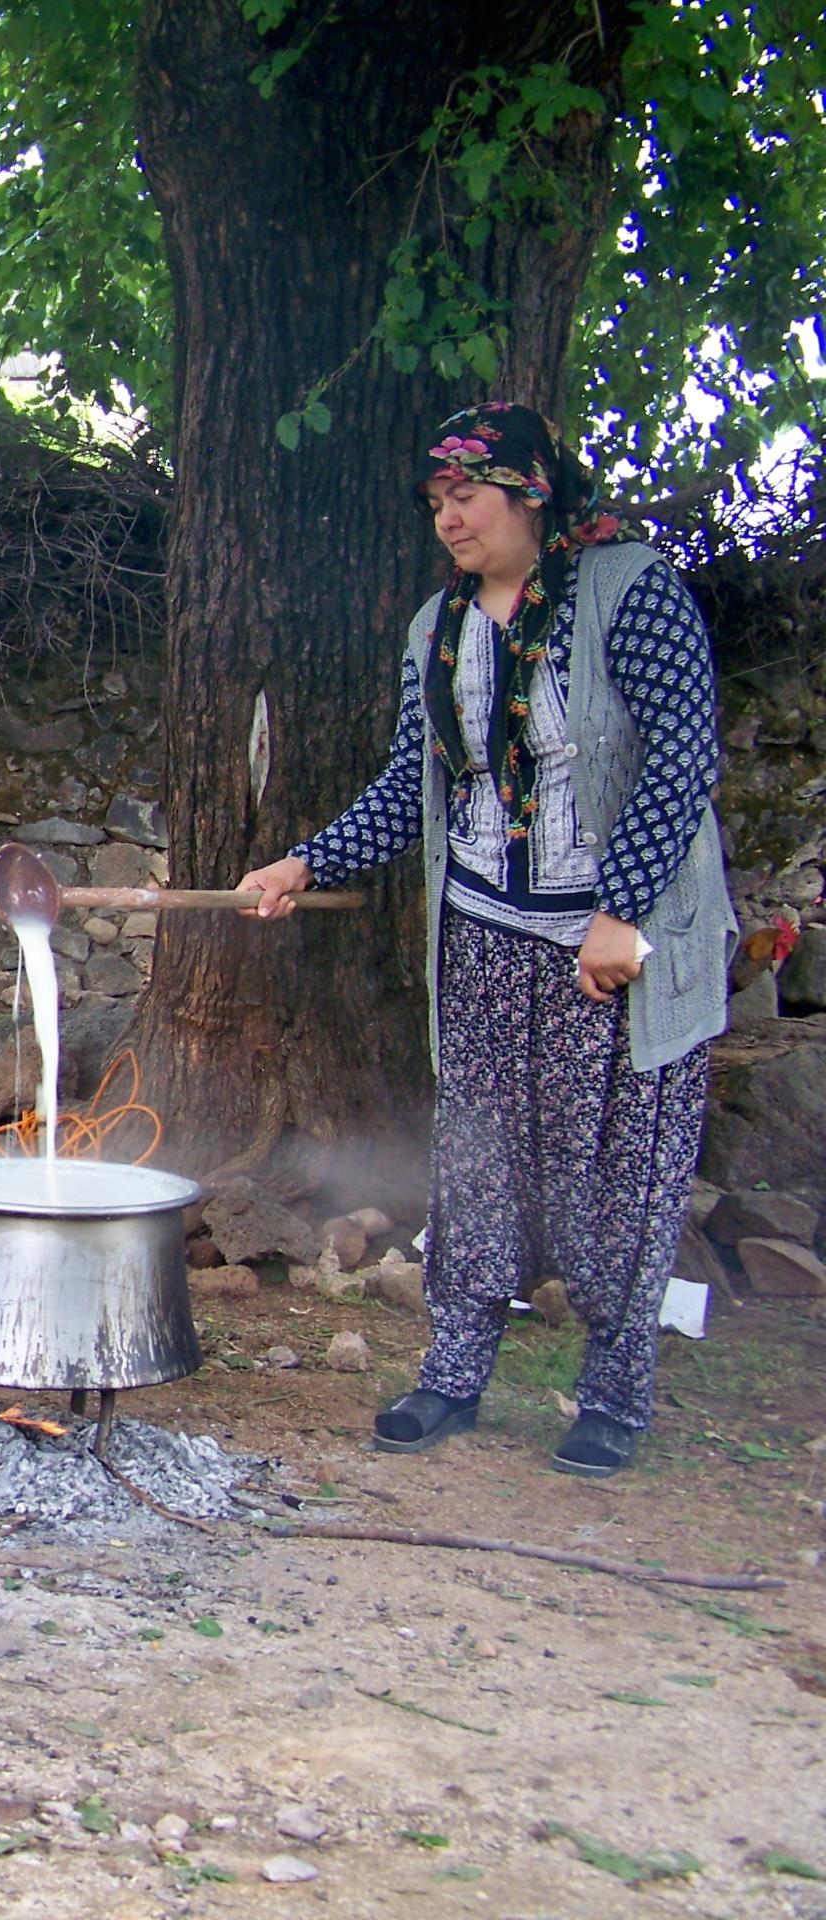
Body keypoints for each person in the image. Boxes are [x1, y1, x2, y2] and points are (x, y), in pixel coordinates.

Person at [237, 400, 734, 1478]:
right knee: (477, 1160)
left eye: (466, 496)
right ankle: (454, 1371)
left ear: (532, 493)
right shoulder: (438, 626)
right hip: (488, 934)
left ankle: (613, 1391)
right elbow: (412, 787)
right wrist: (303, 863)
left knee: (617, 1167)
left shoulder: (628, 592)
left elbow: (682, 761)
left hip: (617, 951)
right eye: (436, 502)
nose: (448, 519)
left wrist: (621, 910)